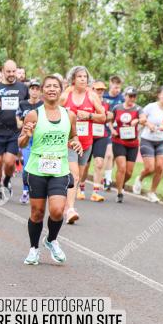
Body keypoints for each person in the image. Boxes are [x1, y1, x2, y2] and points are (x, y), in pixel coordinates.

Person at [18, 75, 83, 265]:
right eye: (48, 86)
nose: (52, 89)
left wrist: (76, 143)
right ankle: (33, 249)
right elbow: (21, 142)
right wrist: (27, 135)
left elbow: (74, 136)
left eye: (56, 86)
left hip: (59, 170)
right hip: (37, 170)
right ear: (42, 91)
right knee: (37, 213)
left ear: (61, 90)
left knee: (56, 211)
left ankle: (51, 240)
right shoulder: (33, 115)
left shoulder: (69, 115)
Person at [60, 66, 106, 221]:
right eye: (79, 76)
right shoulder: (66, 94)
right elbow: (54, 111)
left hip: (87, 142)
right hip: (70, 141)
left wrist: (89, 115)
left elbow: (103, 117)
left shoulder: (92, 95)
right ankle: (70, 210)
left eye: (85, 77)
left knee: (78, 176)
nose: (82, 79)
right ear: (73, 78)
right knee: (74, 174)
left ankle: (65, 203)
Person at [0, 59, 29, 195]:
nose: (11, 74)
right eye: (8, 71)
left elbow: (29, 106)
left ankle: (6, 182)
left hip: (14, 132)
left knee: (10, 162)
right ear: (3, 72)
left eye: (13, 71)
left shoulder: (23, 88)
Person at [133, 85, 163, 203]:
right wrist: (149, 124)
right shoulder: (151, 107)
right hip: (147, 140)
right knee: (150, 168)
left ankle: (152, 192)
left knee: (160, 167)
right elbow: (141, 118)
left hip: (161, 141)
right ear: (159, 95)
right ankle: (140, 178)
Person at [110, 87, 142, 204]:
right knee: (122, 168)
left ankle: (120, 183)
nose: (132, 98)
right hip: (118, 141)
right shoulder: (117, 108)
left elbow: (143, 119)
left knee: (129, 172)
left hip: (132, 143)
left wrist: (137, 121)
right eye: (130, 96)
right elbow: (109, 119)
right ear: (125, 96)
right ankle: (119, 193)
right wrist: (111, 129)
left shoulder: (138, 109)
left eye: (134, 96)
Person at [15, 80, 44, 205]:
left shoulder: (43, 105)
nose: (35, 91)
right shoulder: (22, 104)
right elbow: (18, 122)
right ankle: (26, 191)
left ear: (40, 91)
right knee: (27, 166)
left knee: (40, 165)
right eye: (32, 88)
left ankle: (39, 191)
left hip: (40, 139)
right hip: (27, 138)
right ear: (29, 90)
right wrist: (24, 123)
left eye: (37, 89)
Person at [86, 80, 111, 202]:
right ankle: (80, 187)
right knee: (84, 165)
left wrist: (110, 116)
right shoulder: (87, 101)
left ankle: (96, 191)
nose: (100, 92)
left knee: (100, 163)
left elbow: (109, 117)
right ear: (92, 90)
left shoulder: (106, 103)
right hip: (87, 134)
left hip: (101, 135)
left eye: (102, 90)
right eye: (98, 89)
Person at [102, 75, 124, 190]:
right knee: (109, 154)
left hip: (116, 130)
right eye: (115, 87)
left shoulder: (122, 99)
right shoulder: (103, 97)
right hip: (103, 128)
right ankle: (107, 179)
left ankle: (107, 178)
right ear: (110, 84)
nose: (117, 90)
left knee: (112, 156)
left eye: (119, 88)